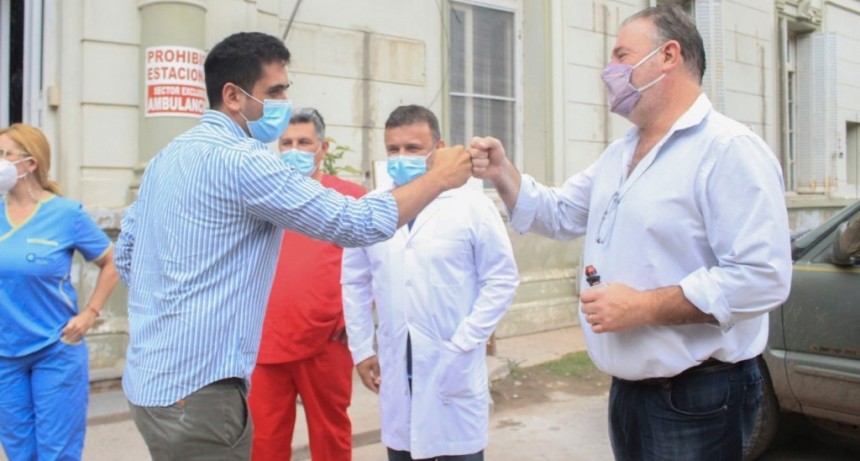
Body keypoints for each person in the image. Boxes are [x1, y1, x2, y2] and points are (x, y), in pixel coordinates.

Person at [113, 32, 471, 460]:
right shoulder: (243, 160)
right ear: (232, 95)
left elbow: (128, 255)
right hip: (200, 391)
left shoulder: (165, 159)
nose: (284, 103)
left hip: (150, 384)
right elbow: (356, 222)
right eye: (275, 91)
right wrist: (440, 178)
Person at [469, 5, 792, 461]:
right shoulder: (620, 155)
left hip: (697, 396)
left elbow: (763, 276)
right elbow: (559, 212)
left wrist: (642, 306)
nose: (609, 72)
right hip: (631, 394)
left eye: (622, 56)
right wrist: (503, 172)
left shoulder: (727, 150)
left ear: (668, 56)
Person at [342, 105, 520, 461]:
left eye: (413, 148)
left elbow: (501, 278)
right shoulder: (373, 207)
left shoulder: (471, 205)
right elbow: (354, 283)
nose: (400, 157)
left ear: (439, 149)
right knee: (402, 450)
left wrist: (467, 340)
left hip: (452, 365)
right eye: (393, 149)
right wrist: (361, 349)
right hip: (396, 365)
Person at [248, 107, 363, 460]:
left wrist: (353, 318)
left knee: (330, 435)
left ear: (322, 148)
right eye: (287, 143)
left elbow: (376, 266)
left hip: (327, 341)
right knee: (263, 442)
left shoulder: (351, 198)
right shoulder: (259, 200)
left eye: (303, 142)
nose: (294, 150)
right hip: (263, 343)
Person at [0, 123, 119, 460]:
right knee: (20, 454)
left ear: (29, 163)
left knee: (56, 454)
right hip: (5, 356)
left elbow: (112, 263)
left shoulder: (66, 214)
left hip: (56, 350)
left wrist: (89, 314)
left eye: (2, 154)